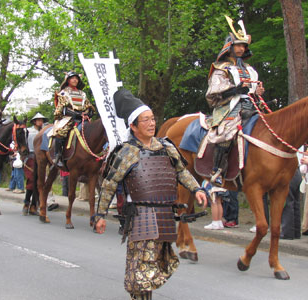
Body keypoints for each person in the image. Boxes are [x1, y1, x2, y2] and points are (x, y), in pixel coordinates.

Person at [94, 89, 207, 300]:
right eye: (145, 120)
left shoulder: (166, 147)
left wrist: (197, 189)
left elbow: (182, 171)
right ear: (134, 126)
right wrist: (100, 215)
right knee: (140, 271)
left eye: (153, 119)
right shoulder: (126, 152)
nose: (152, 123)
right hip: (140, 217)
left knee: (153, 267)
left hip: (164, 216)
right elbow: (110, 184)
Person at [205, 16, 264, 186]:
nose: (241, 48)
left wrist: (257, 92)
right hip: (228, 107)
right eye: (238, 45)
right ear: (230, 46)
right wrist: (237, 89)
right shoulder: (221, 68)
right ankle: (217, 170)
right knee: (227, 131)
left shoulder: (249, 70)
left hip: (251, 106)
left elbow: (250, 92)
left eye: (243, 45)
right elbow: (214, 92)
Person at [51, 72, 94, 167]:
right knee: (60, 132)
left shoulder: (82, 93)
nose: (75, 80)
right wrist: (78, 115)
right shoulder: (64, 92)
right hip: (68, 118)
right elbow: (64, 109)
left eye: (76, 78)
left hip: (83, 118)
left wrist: (89, 114)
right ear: (68, 80)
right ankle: (58, 155)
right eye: (72, 78)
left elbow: (89, 106)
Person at [23, 113, 47, 215]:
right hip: (30, 157)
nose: (40, 122)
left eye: (42, 120)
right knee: (31, 180)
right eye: (38, 120)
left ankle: (34, 205)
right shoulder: (28, 131)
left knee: (39, 182)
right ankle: (26, 203)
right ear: (34, 121)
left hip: (41, 158)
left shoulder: (45, 132)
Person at [280, 168, 302, 240]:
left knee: (287, 203)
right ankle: (296, 232)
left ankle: (287, 232)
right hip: (296, 173)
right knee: (295, 203)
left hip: (287, 173)